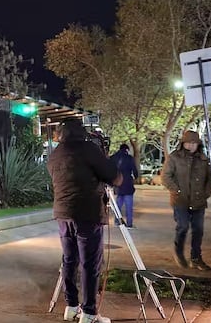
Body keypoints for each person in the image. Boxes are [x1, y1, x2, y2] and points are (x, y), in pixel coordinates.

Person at [47, 119, 123, 323]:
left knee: (69, 261)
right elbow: (113, 176)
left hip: (63, 214)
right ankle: (89, 313)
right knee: (90, 264)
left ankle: (71, 307)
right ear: (81, 132)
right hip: (87, 214)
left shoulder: (55, 154)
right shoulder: (88, 149)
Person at [162, 129, 211, 271]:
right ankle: (178, 252)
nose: (191, 145)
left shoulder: (203, 159)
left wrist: (206, 192)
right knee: (183, 227)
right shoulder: (174, 157)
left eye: (194, 143)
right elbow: (166, 177)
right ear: (183, 143)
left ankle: (196, 258)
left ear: (198, 144)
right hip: (181, 201)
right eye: (188, 143)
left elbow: (210, 178)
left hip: (199, 201)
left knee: (198, 230)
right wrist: (176, 190)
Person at [110, 143, 139, 228]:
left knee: (118, 203)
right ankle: (129, 223)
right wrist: (135, 177)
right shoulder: (129, 158)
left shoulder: (113, 158)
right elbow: (134, 171)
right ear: (127, 149)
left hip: (118, 184)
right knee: (128, 205)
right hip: (127, 183)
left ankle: (117, 221)